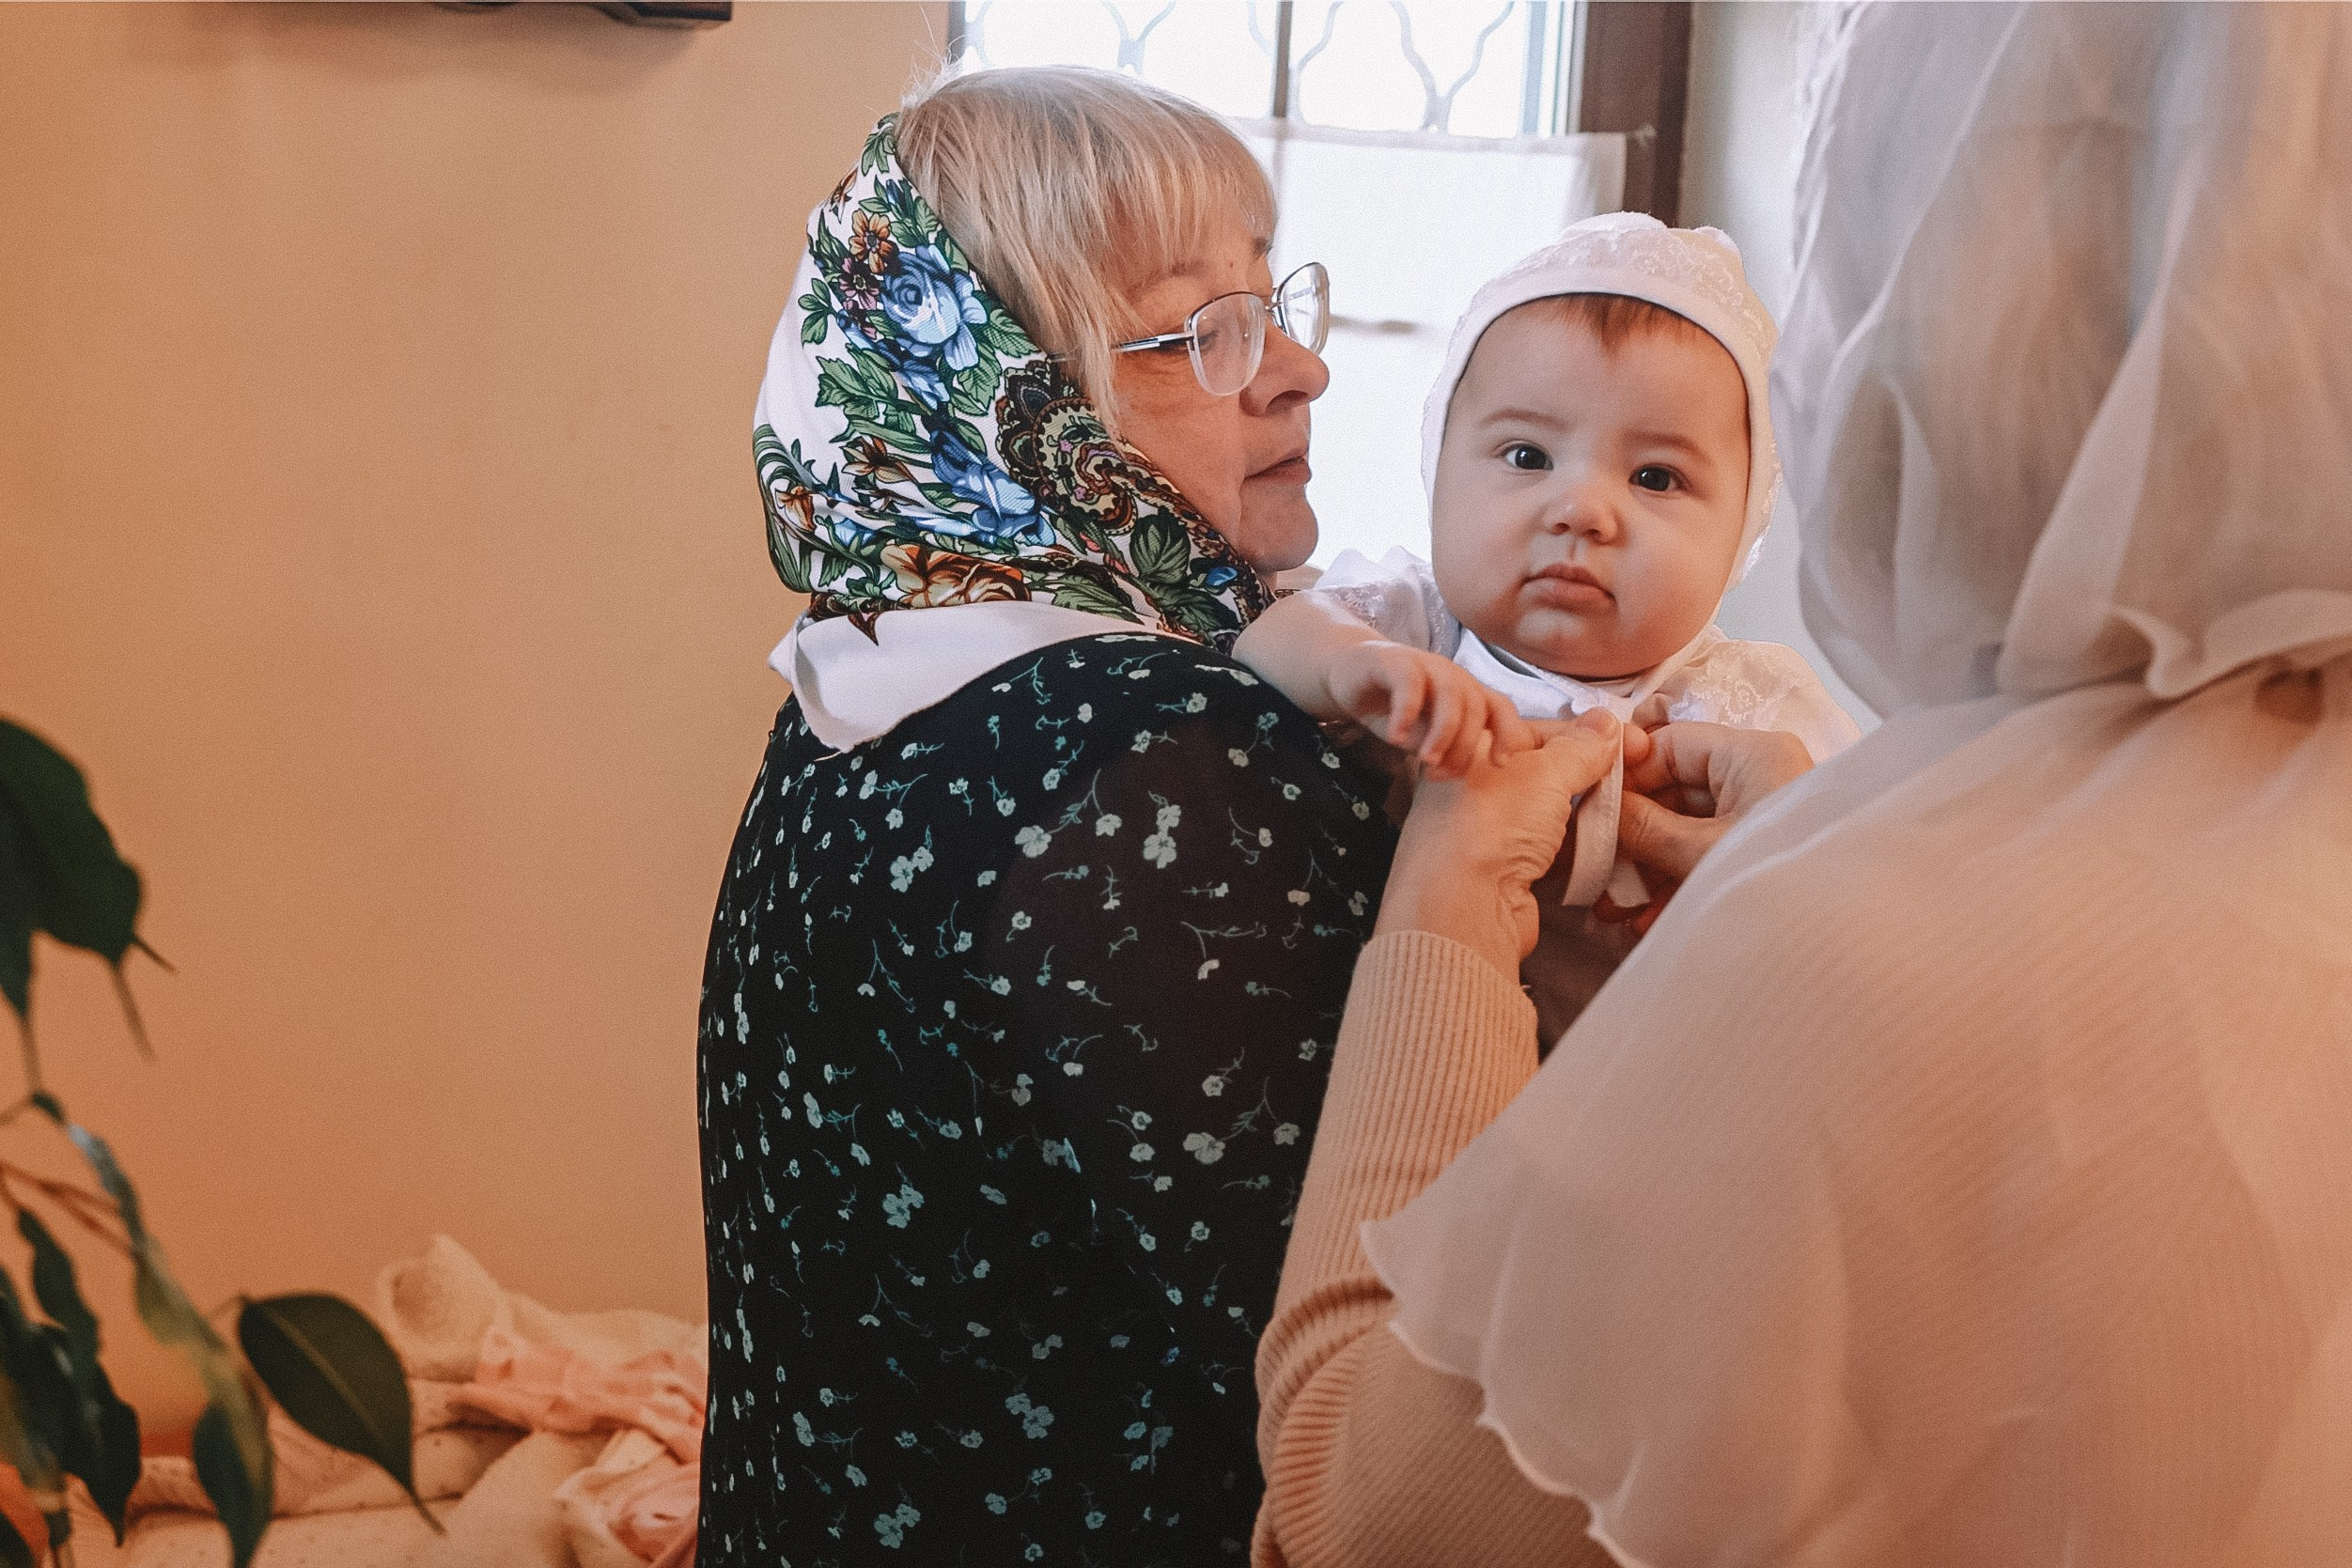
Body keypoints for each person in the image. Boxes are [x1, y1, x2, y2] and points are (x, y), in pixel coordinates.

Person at [1252, 4, 2352, 1565]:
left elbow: (1373, 1513)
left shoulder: (1862, 933)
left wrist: (1445, 894)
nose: (1582, 509)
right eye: (1519, 455)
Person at [696, 66, 1398, 1566]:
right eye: (1199, 333)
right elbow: (1384, 1379)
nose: (1295, 374)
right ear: (1003, 398)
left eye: (1273, 303)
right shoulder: (1150, 751)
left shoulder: (865, 689)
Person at [1235, 215, 1857, 1037]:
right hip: (1402, 1045)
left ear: (1740, 530)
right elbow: (1267, 636)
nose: (1581, 510)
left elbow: (1856, 899)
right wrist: (1359, 664)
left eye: (1654, 476)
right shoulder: (1422, 629)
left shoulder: (1745, 707)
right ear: (1437, 468)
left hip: (1638, 1086)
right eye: (1526, 456)